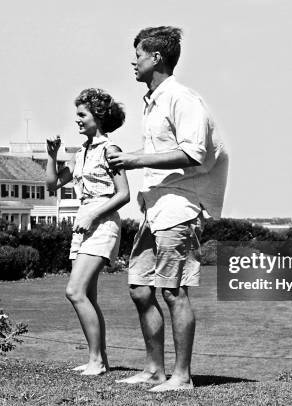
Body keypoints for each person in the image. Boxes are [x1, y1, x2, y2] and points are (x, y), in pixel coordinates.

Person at [108, 26, 228, 391]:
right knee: (140, 287)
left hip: (179, 206)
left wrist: (133, 159)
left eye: (139, 54)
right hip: (155, 207)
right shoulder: (154, 100)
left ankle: (182, 376)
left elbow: (194, 153)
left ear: (156, 58)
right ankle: (154, 370)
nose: (133, 61)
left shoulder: (181, 98)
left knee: (174, 291)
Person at [46, 88, 130, 376]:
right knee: (88, 296)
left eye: (82, 114)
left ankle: (96, 360)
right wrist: (51, 156)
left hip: (102, 223)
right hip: (83, 222)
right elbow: (52, 185)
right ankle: (99, 359)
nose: (77, 120)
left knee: (75, 290)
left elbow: (124, 194)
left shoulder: (111, 150)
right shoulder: (80, 153)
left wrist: (94, 214)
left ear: (98, 117)